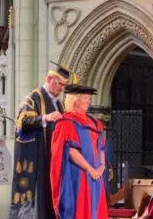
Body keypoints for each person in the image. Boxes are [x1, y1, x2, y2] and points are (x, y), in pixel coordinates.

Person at [8, 62, 75, 219]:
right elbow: (21, 122)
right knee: (38, 201)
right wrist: (45, 118)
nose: (61, 89)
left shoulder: (60, 104)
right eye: (59, 84)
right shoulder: (34, 97)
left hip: (55, 160)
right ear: (49, 78)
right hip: (39, 159)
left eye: (64, 86)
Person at [50, 84, 108, 219]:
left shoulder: (95, 123)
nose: (89, 101)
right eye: (85, 98)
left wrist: (102, 166)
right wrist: (90, 169)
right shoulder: (66, 123)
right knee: (81, 209)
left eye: (89, 98)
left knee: (96, 208)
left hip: (96, 175)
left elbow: (102, 147)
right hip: (79, 174)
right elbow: (71, 150)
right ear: (75, 100)